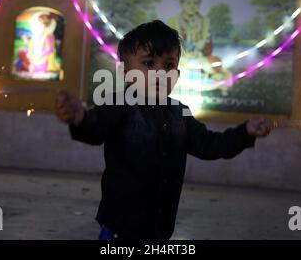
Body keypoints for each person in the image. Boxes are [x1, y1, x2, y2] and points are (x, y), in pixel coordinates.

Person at [55, 20, 275, 240]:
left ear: (177, 74)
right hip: (119, 229)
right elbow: (94, 128)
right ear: (125, 72)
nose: (160, 73)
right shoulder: (118, 104)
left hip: (160, 229)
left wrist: (245, 131)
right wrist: (80, 118)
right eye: (149, 63)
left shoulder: (181, 112)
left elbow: (209, 144)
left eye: (168, 65)